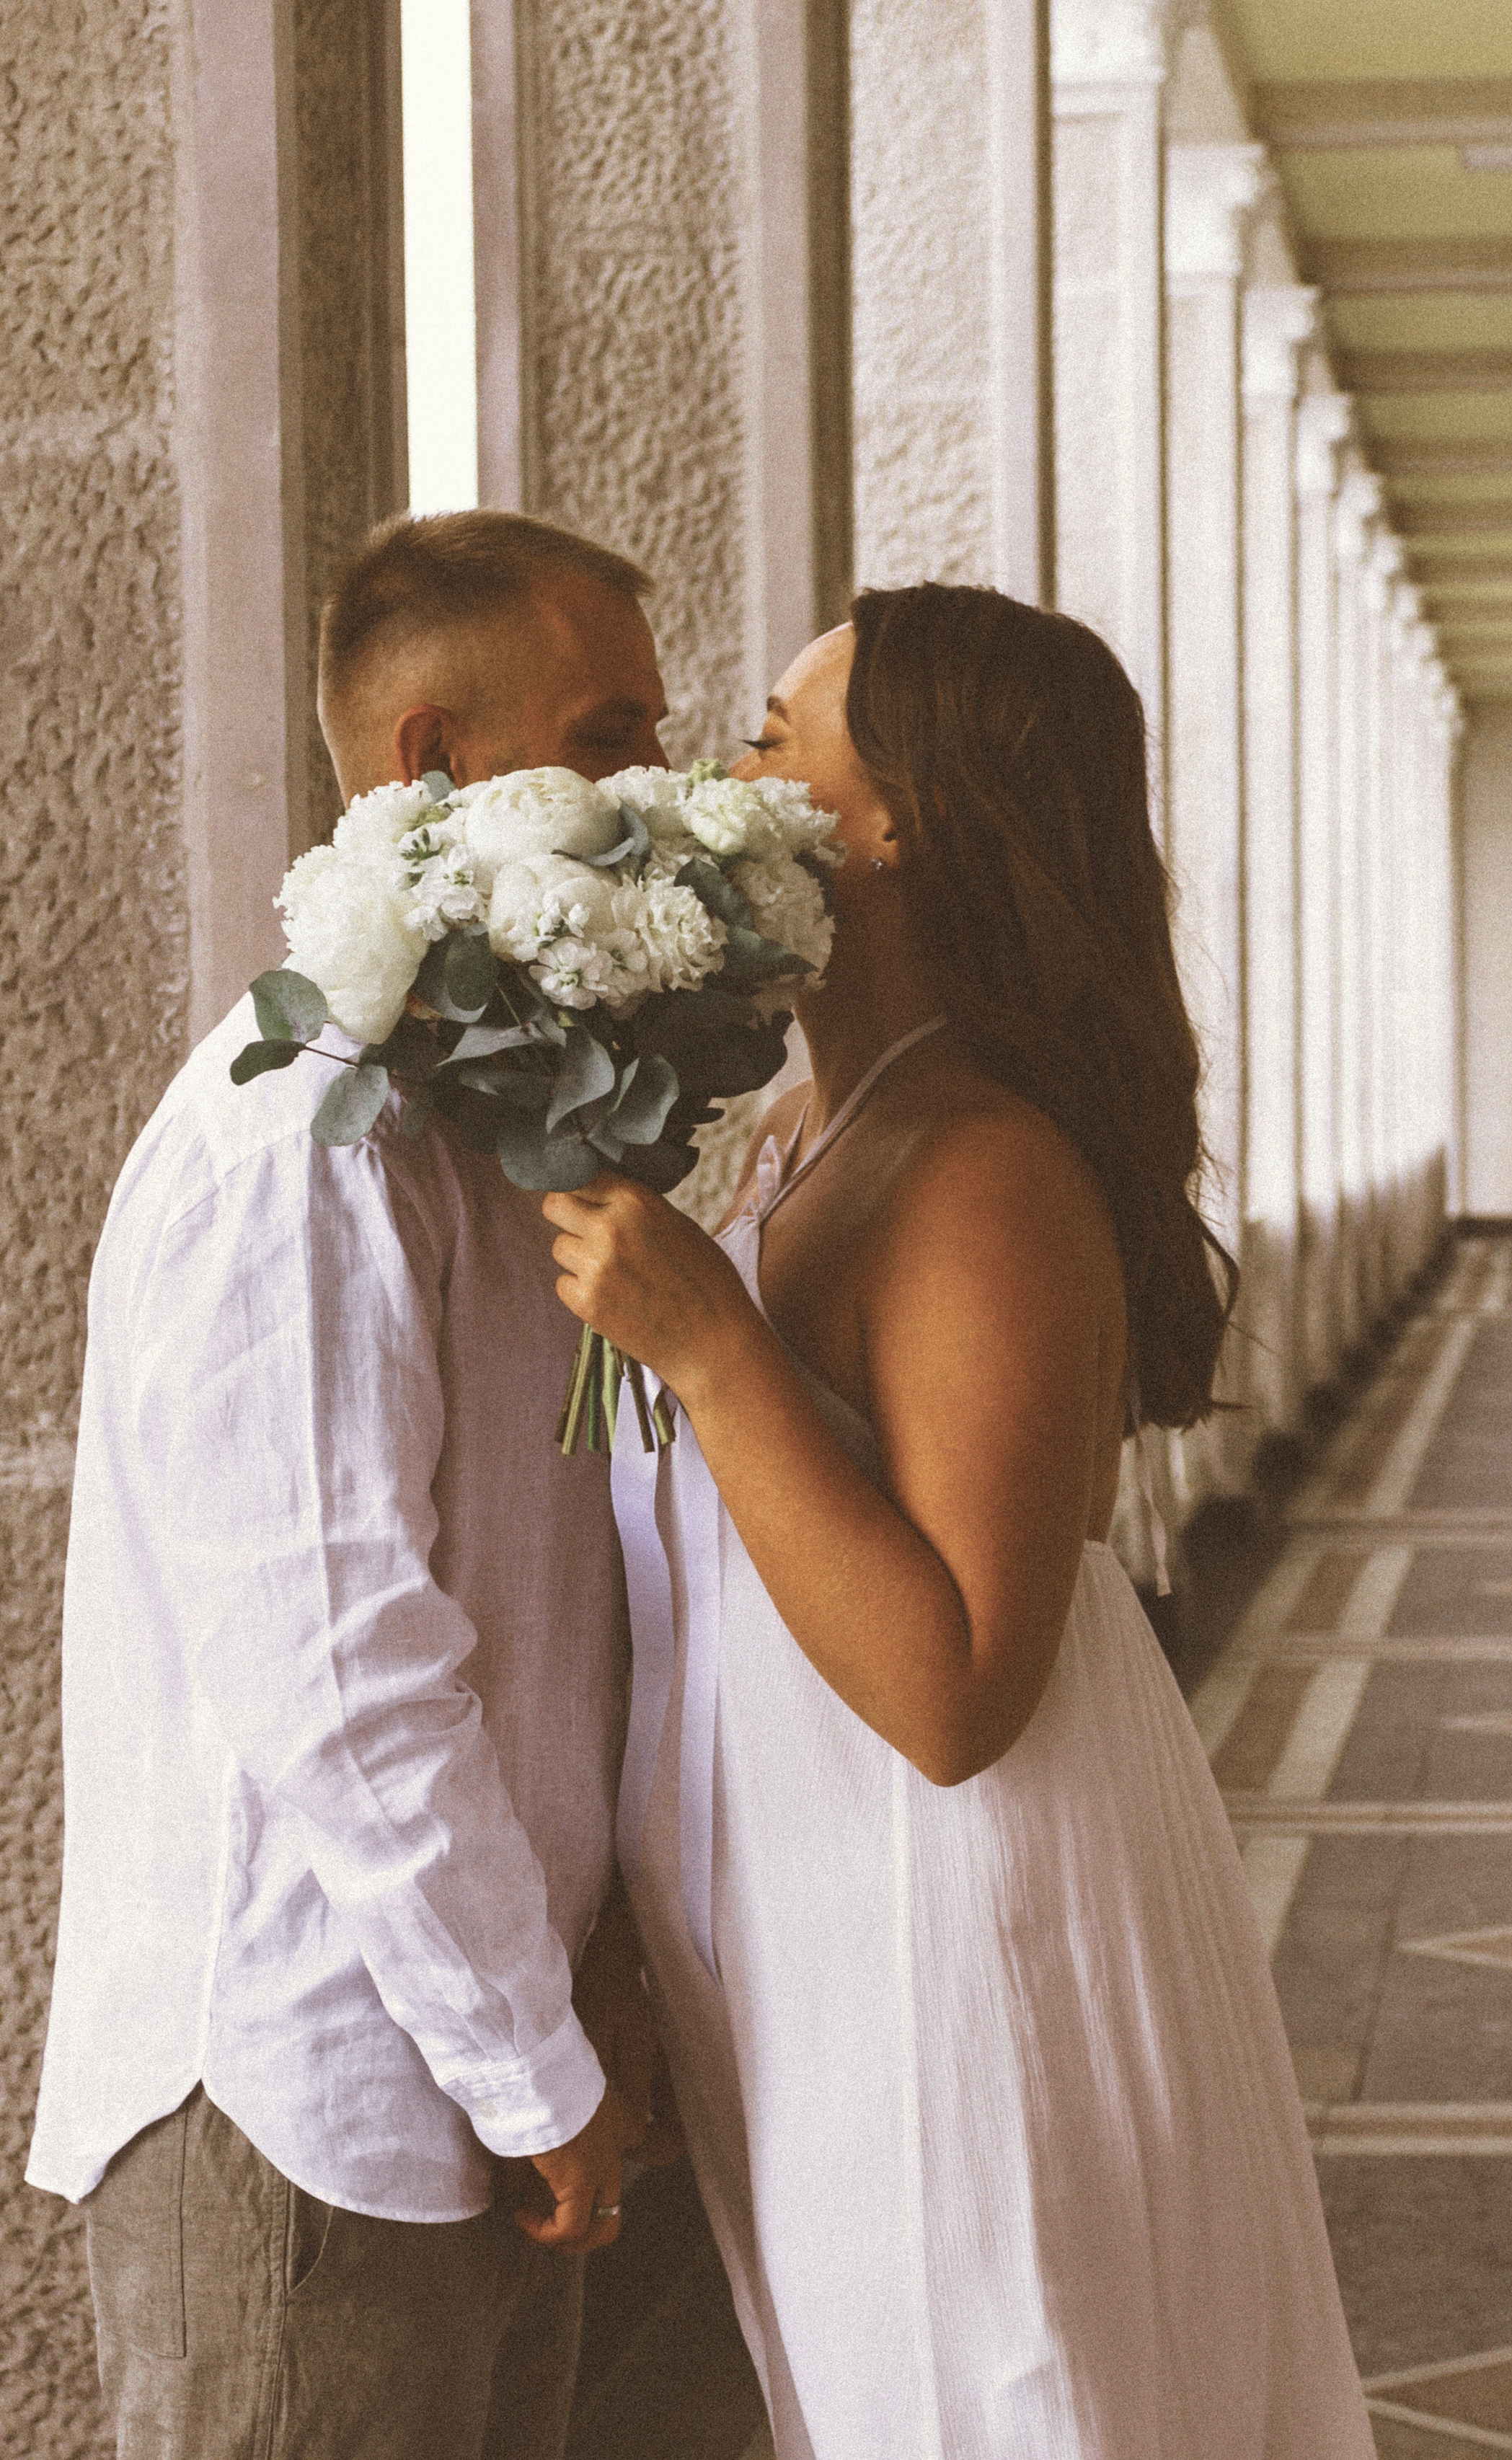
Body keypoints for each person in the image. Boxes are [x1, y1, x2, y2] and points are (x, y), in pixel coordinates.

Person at [542, 583, 1379, 2457]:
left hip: (956, 1927)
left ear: (896, 812)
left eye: (774, 731)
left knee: (1007, 2393)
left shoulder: (982, 1167)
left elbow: (955, 1692)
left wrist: (709, 1341)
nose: (725, 767)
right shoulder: (803, 1133)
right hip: (822, 1923)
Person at [28, 510, 671, 2460]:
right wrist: (532, 2063)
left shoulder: (490, 1119)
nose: (662, 792)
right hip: (308, 2113)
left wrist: (576, 2011)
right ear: (431, 766)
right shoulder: (298, 1135)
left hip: (476, 2086)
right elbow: (340, 1662)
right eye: (611, 732)